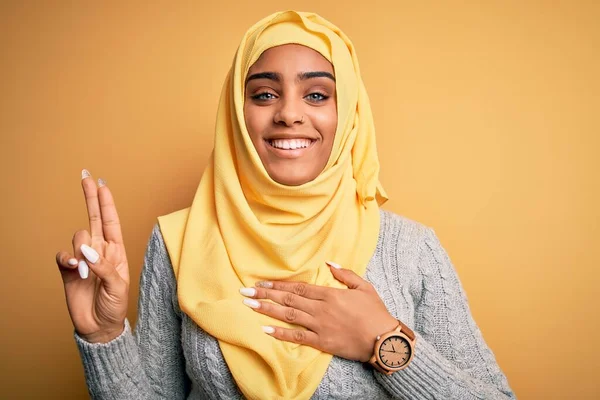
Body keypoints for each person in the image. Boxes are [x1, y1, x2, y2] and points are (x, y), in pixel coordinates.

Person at [55, 10, 516, 400]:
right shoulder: (177, 241)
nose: (289, 113)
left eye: (316, 94)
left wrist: (384, 342)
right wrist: (103, 335)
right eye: (264, 94)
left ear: (348, 113)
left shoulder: (410, 248)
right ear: (237, 114)